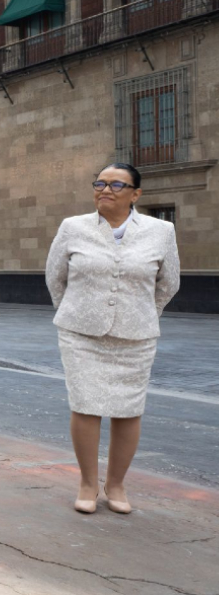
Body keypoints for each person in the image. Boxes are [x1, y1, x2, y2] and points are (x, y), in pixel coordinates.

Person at [45, 163, 180, 515]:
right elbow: (55, 278)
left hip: (136, 335)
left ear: (136, 194)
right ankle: (88, 484)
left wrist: (141, 312)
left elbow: (168, 284)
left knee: (128, 410)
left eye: (116, 185)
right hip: (80, 334)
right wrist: (77, 312)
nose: (105, 189)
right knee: (86, 405)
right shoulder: (72, 227)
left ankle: (116, 484)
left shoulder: (161, 230)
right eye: (100, 183)